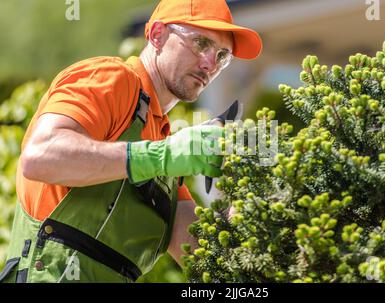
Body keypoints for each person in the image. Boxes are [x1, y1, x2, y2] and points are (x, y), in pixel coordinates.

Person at [0, 0, 262, 283]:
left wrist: (250, 194)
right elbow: (40, 156)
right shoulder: (111, 79)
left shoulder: (166, 147)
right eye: (201, 43)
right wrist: (162, 156)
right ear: (157, 35)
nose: (210, 63)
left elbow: (215, 264)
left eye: (222, 56)